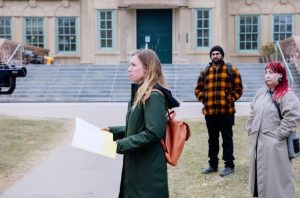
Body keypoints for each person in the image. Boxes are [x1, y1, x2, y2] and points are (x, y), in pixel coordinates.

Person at [102, 49, 179, 198]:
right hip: (138, 166)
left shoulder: (153, 95)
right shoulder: (141, 93)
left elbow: (153, 132)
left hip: (147, 171)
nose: (129, 69)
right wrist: (113, 131)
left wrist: (119, 145)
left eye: (133, 65)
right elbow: (139, 127)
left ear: (146, 69)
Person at [246, 61, 300, 197]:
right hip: (258, 143)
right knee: (260, 178)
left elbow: (292, 117)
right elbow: (253, 111)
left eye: (271, 72)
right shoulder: (261, 92)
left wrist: (278, 136)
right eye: (266, 72)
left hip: (276, 146)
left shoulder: (287, 95)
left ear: (280, 75)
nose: (267, 75)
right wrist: (250, 129)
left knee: (277, 181)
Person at [194, 45, 243, 177]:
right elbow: (197, 89)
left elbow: (239, 89)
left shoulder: (231, 70)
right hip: (210, 113)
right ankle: (213, 164)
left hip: (226, 112)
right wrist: (204, 98)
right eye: (213, 54)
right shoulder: (205, 71)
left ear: (222, 55)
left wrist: (229, 99)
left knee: (227, 139)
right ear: (210, 56)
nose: (215, 56)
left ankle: (229, 165)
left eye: (218, 53)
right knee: (212, 140)